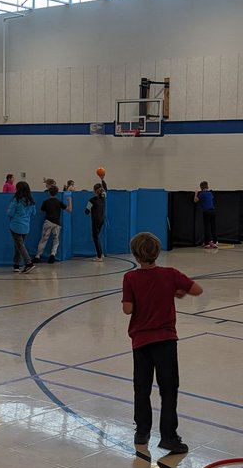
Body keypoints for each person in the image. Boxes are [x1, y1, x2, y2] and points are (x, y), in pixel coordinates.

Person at [122, 232, 202, 453]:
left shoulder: (130, 278)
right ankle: (168, 436)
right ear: (157, 252)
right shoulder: (170, 274)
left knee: (142, 387)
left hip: (141, 342)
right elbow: (197, 289)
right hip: (166, 341)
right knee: (168, 389)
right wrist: (179, 293)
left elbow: (127, 309)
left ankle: (142, 432)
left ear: (136, 255)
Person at [7, 181, 36, 273]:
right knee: (18, 246)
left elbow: (10, 213)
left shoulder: (16, 200)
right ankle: (16, 265)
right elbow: (33, 213)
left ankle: (29, 263)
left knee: (20, 245)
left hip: (15, 225)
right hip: (26, 226)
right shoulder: (31, 201)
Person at [36, 185, 67, 264]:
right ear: (57, 193)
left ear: (49, 192)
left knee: (43, 239)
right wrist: (69, 201)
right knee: (56, 240)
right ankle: (53, 255)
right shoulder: (59, 202)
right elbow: (69, 209)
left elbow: (41, 211)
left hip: (48, 222)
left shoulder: (46, 202)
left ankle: (38, 256)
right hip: (57, 223)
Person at [85, 179, 108, 262]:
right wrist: (102, 179)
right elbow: (106, 189)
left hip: (95, 220)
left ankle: (99, 256)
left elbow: (86, 212)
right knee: (97, 237)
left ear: (94, 190)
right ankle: (100, 253)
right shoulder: (103, 197)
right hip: (102, 219)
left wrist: (89, 208)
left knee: (95, 237)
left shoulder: (91, 200)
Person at [195, 181, 217, 248]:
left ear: (201, 187)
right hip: (213, 211)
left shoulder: (202, 194)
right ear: (207, 186)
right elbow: (211, 198)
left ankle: (209, 241)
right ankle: (214, 241)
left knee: (207, 227)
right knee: (213, 226)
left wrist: (196, 194)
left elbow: (195, 200)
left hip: (206, 212)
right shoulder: (210, 193)